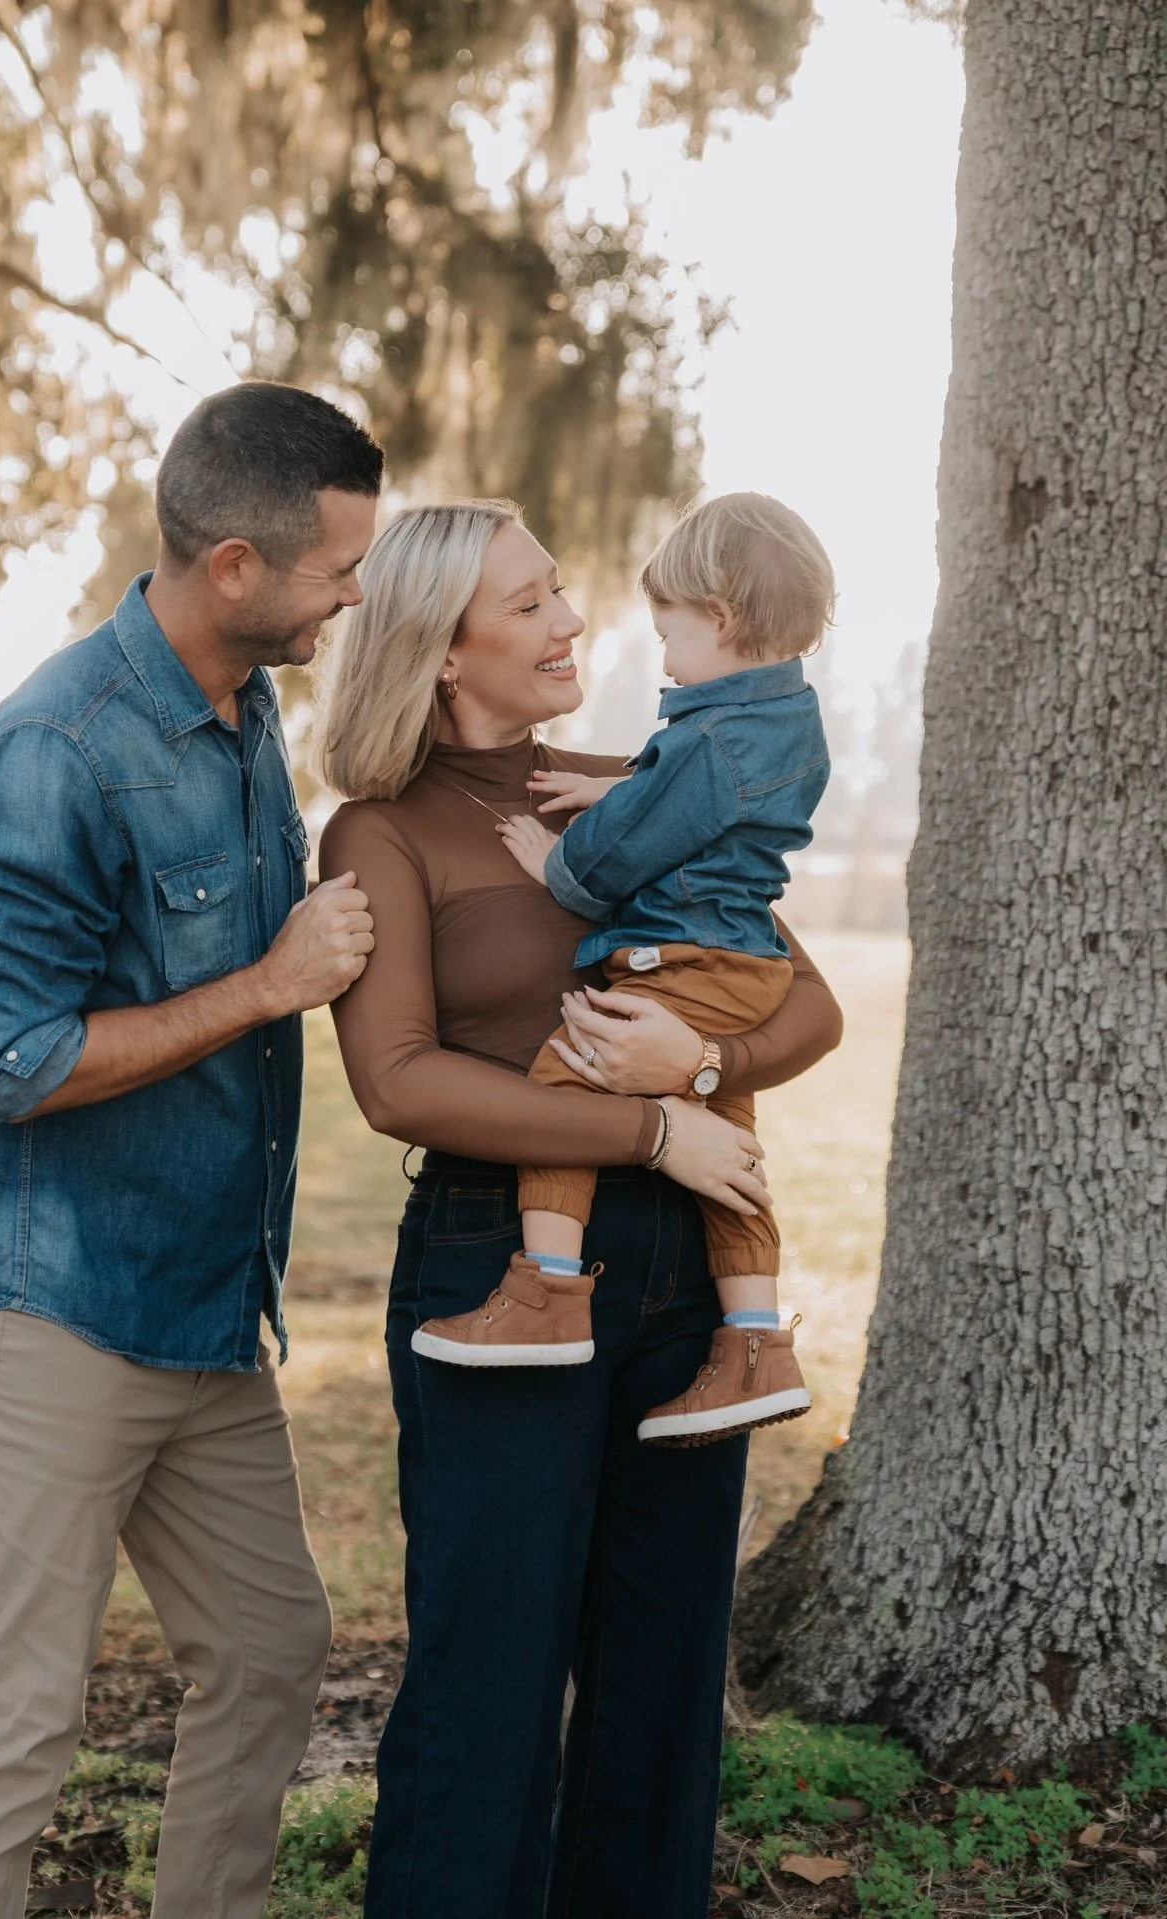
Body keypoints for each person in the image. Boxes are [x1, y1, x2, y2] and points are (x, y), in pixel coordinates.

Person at [315, 498, 844, 1918]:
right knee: (488, 1678)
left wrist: (708, 1063)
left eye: (565, 591)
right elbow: (399, 1081)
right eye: (534, 603)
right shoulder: (381, 831)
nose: (574, 621)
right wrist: (651, 1123)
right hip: (501, 1264)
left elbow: (812, 1005)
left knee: (662, 1682)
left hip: (685, 1280)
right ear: (441, 649)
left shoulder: (658, 784)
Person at [0, 382, 382, 1919]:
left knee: (268, 1643)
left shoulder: (246, 715)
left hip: (201, 1311)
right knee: (9, 1719)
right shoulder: (61, 744)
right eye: (335, 571)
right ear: (234, 564)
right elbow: (17, 1060)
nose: (351, 598)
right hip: (51, 1309)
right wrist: (268, 984)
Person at [413, 492, 832, 1448]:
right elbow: (697, 790)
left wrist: (551, 860)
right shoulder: (777, 719)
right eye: (530, 604)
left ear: (720, 620)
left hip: (680, 960)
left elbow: (606, 860)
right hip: (739, 960)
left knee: (571, 1072)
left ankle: (548, 1293)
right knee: (733, 1164)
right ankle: (758, 1341)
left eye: (669, 632)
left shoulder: (709, 739)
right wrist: (624, 785)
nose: (660, 653)